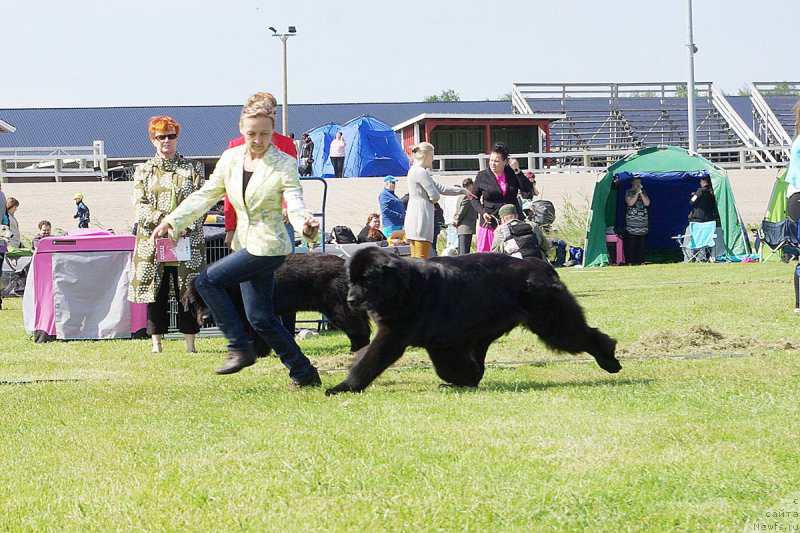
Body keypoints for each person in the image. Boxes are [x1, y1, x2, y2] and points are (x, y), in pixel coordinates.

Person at [150, 102, 323, 387]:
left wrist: (304, 223)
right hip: (245, 243)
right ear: (241, 129)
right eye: (252, 133)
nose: (258, 140)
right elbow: (206, 195)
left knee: (207, 281)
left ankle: (239, 348)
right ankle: (304, 373)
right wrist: (172, 221)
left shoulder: (284, 163)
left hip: (270, 246)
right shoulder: (230, 159)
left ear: (272, 131)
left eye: (264, 134)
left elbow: (294, 199)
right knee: (261, 318)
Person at [128, 116, 206, 354]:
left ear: (177, 138)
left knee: (188, 292)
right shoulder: (143, 170)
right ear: (153, 140)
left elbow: (201, 202)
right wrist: (166, 223)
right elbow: (140, 205)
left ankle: (190, 344)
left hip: (187, 241)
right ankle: (156, 343)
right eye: (161, 136)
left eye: (171, 136)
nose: (166, 141)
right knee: (156, 292)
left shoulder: (192, 169)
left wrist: (182, 226)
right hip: (154, 243)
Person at [223, 92, 297, 250]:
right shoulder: (235, 146)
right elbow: (230, 190)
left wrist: (287, 206)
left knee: (284, 264)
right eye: (267, 112)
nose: (272, 117)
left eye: (274, 113)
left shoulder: (286, 144)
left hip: (279, 220)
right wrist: (230, 227)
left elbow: (290, 181)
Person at [405, 142, 473, 259]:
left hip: (413, 216)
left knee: (414, 257)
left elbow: (441, 187)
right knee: (422, 258)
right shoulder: (421, 172)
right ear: (426, 156)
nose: (432, 160)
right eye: (432, 156)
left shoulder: (413, 170)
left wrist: (462, 191)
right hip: (422, 216)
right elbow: (435, 195)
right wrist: (433, 198)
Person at [470, 142, 533, 252]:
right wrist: (483, 212)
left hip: (513, 220)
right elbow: (474, 198)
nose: (492, 164)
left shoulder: (512, 173)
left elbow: (527, 188)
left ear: (505, 161)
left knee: (515, 252)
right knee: (488, 256)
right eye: (491, 160)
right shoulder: (482, 176)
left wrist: (517, 170)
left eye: (496, 161)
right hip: (491, 221)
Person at [624, 177, 650, 265]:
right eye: (636, 182)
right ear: (633, 183)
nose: (638, 184)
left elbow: (647, 203)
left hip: (642, 223)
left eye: (639, 182)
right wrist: (636, 193)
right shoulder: (628, 192)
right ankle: (630, 261)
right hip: (632, 222)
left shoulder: (644, 192)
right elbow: (630, 203)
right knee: (631, 242)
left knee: (641, 243)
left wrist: (641, 193)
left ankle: (640, 260)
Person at [453, 177, 478, 255]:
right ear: (470, 185)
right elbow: (462, 210)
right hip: (465, 226)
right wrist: (457, 219)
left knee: (462, 250)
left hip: (462, 226)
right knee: (464, 252)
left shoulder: (462, 195)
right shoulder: (467, 196)